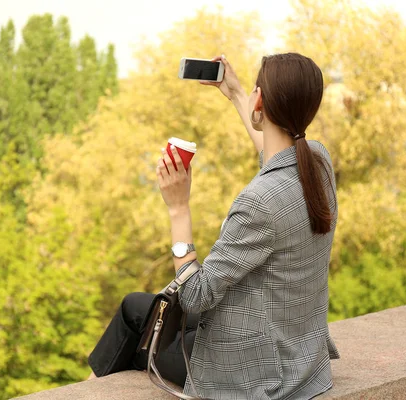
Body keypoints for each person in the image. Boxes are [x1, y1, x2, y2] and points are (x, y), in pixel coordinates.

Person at [87, 52, 340, 400]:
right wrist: (236, 92)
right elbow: (276, 158)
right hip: (301, 361)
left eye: (254, 89)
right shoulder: (318, 163)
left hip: (253, 374)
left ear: (261, 101)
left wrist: (178, 207)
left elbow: (194, 297)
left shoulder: (257, 202)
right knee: (136, 306)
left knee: (135, 325)